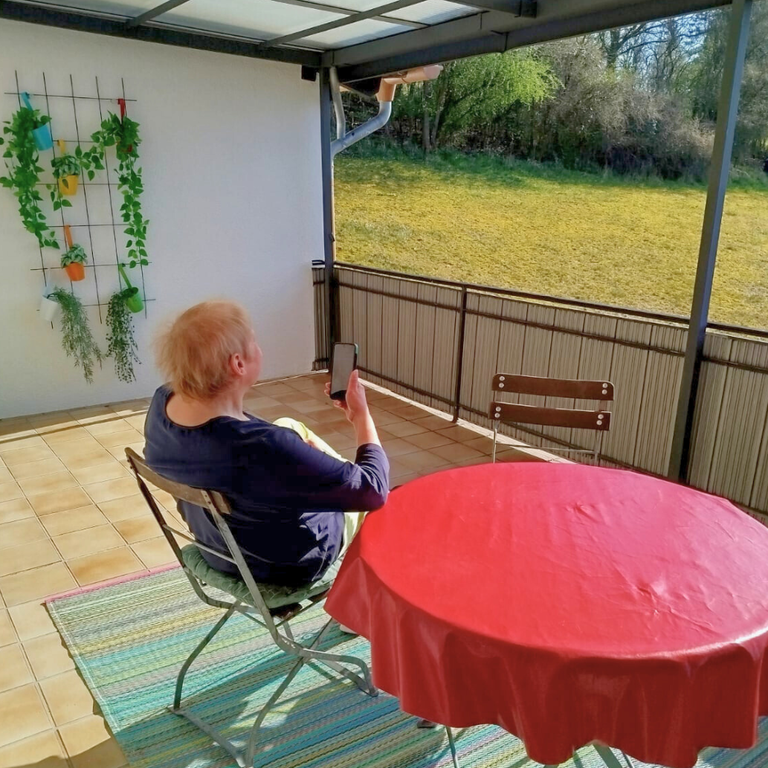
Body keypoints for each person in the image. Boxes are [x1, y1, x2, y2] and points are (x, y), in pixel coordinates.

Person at [143, 300, 389, 588]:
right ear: (238, 363)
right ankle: (372, 592)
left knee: (289, 424)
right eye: (254, 341)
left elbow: (257, 451)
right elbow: (373, 490)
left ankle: (329, 469)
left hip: (219, 549)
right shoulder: (264, 447)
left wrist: (298, 455)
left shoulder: (162, 404)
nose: (259, 348)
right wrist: (360, 415)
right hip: (283, 565)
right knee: (383, 496)